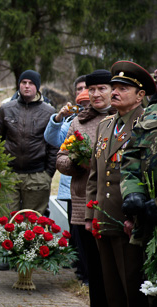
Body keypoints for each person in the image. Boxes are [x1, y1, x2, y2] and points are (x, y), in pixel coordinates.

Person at [87, 61, 154, 307]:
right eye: (114, 86)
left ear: (140, 96)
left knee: (132, 289)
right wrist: (89, 215)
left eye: (123, 88)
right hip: (103, 218)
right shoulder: (106, 124)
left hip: (131, 220)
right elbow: (95, 173)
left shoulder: (146, 125)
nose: (114, 92)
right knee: (111, 289)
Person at [58, 70, 115, 305]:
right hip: (84, 204)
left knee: (114, 268)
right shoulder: (78, 122)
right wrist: (76, 162)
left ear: (113, 91)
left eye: (102, 88)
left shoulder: (123, 119)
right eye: (91, 90)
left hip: (113, 203)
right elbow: (60, 159)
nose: (95, 94)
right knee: (93, 267)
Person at [0, 69, 57, 270]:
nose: (26, 86)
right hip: (10, 173)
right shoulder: (7, 109)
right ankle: (6, 255)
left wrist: (47, 174)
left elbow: (54, 146)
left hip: (37, 174)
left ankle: (29, 256)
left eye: (31, 83)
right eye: (23, 82)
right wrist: (0, 169)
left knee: (33, 218)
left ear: (37, 86)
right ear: (19, 85)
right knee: (7, 216)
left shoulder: (49, 112)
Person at [44, 78, 90, 283]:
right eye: (79, 89)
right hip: (74, 188)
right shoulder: (70, 120)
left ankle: (89, 271)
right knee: (77, 232)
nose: (83, 94)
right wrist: (58, 117)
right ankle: (81, 271)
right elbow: (53, 140)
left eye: (86, 89)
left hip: (96, 187)